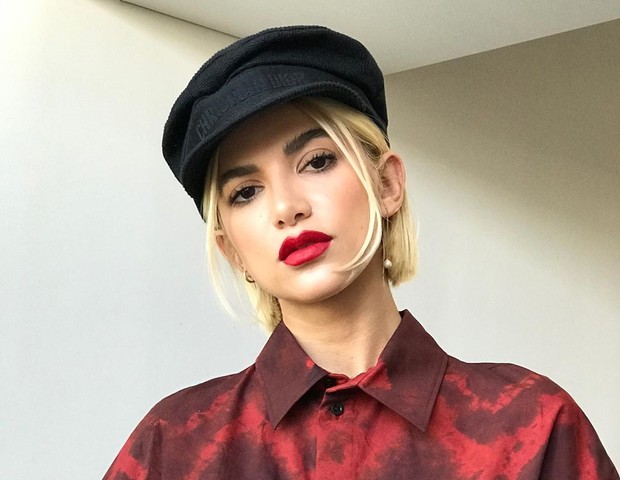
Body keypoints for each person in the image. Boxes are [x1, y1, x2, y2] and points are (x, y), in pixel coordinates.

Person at [103, 26, 618, 479]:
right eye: (246, 192)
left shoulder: (532, 425)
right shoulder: (172, 447)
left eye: (316, 161)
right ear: (231, 249)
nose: (286, 207)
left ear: (387, 184)